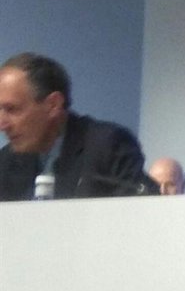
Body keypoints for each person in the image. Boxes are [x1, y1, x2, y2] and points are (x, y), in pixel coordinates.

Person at [0, 52, 154, 200]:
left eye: (12, 109)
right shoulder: (5, 162)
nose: (2, 125)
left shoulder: (108, 147)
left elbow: (136, 211)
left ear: (53, 105)